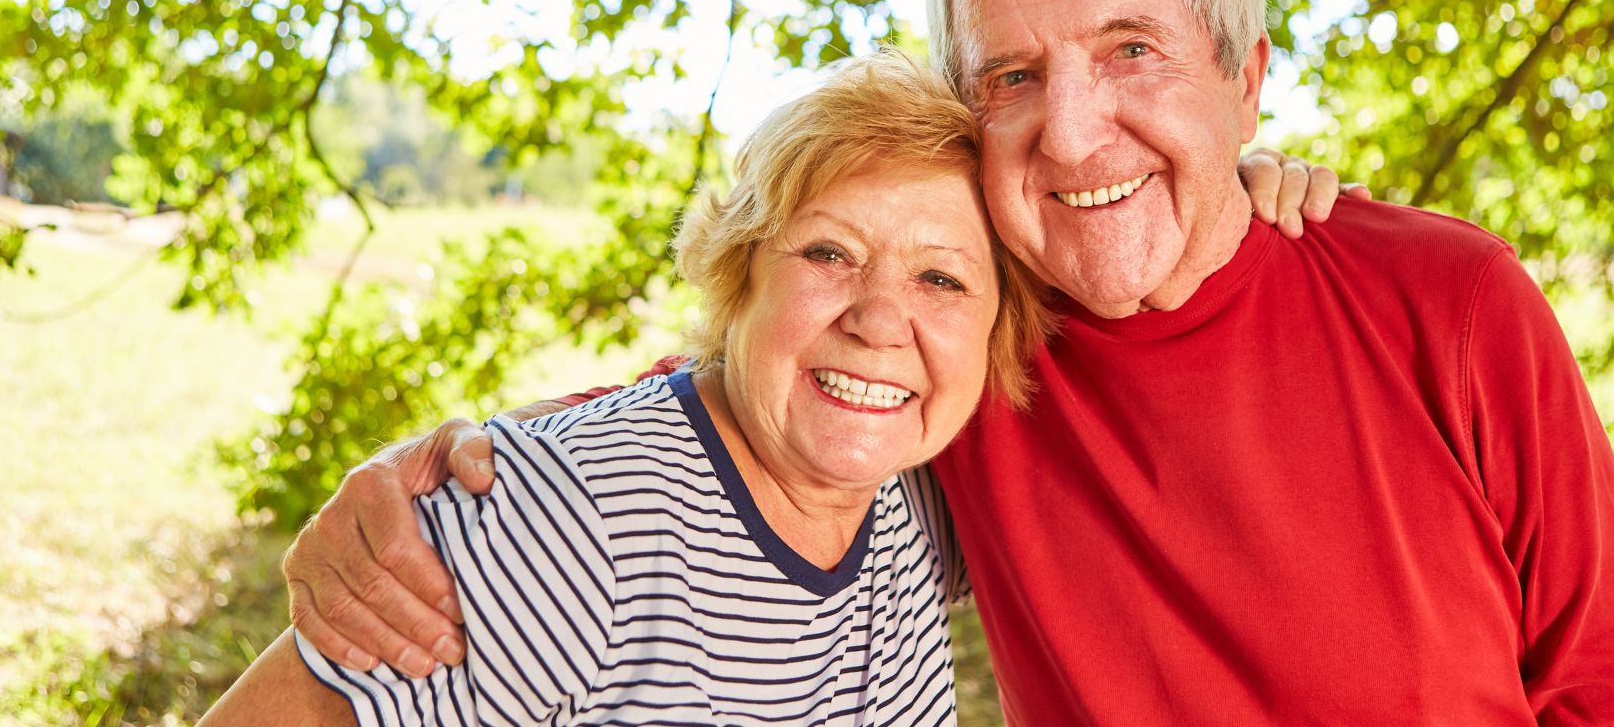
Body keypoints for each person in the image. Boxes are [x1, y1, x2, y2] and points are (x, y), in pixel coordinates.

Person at [288, 0, 1614, 723]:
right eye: (1015, 78)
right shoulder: (982, 355)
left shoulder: (1449, 300)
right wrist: (452, 480)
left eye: (1132, 54)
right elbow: (764, 416)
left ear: (1246, 76)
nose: (1073, 128)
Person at [201, 51, 1051, 724]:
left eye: (941, 280)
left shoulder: (920, 503)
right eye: (828, 254)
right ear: (737, 274)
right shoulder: (565, 520)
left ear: (994, 329)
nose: (877, 319)